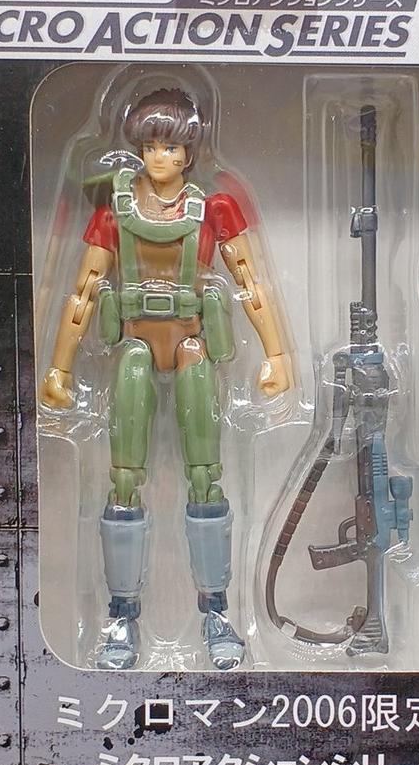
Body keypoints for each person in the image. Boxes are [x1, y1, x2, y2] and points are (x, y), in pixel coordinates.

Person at [40, 87, 291, 670]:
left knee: (205, 476)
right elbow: (83, 293)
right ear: (138, 148)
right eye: (152, 145)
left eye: (171, 147)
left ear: (189, 152)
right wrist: (60, 366)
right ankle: (121, 616)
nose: (161, 157)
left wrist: (277, 353)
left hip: (191, 343)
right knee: (123, 478)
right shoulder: (113, 212)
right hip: (133, 343)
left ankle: (217, 612)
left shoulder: (215, 209)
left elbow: (250, 283)